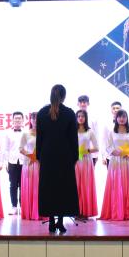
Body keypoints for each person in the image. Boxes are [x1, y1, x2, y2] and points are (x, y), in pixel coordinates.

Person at [36, 84, 79, 233]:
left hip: (47, 155)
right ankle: (60, 222)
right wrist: (74, 157)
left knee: (49, 188)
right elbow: (73, 138)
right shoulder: (69, 113)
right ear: (64, 96)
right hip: (65, 156)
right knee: (63, 188)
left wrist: (39, 156)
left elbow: (39, 138)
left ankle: (51, 222)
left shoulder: (42, 113)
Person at [101, 109, 129, 220]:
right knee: (116, 185)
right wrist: (114, 152)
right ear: (116, 118)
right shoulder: (111, 132)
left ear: (127, 118)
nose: (121, 119)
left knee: (128, 186)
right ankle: (117, 212)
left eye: (124, 117)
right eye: (119, 117)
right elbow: (108, 146)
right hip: (116, 161)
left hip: (128, 161)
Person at [75, 109, 99, 217]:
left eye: (83, 116)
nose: (80, 118)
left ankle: (85, 211)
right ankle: (75, 210)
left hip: (86, 160)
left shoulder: (90, 131)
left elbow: (97, 147)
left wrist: (87, 150)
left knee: (85, 185)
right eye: (79, 116)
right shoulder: (72, 131)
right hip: (75, 161)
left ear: (86, 118)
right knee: (76, 185)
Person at [3, 111, 25, 216]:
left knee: (23, 185)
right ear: (12, 120)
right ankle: (14, 206)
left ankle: (23, 206)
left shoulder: (26, 133)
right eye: (16, 118)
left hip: (24, 162)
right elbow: (6, 149)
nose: (17, 120)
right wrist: (6, 163)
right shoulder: (8, 134)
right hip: (12, 161)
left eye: (19, 118)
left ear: (23, 120)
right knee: (13, 185)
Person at [19, 112, 40, 220]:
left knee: (39, 188)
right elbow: (20, 148)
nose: (35, 120)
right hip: (29, 163)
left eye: (37, 118)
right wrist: (30, 155)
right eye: (33, 118)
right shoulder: (25, 134)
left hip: (40, 164)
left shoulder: (44, 133)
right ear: (30, 120)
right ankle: (29, 212)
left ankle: (40, 212)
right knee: (29, 187)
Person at [101, 101, 122, 166]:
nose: (115, 110)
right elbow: (104, 141)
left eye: (117, 108)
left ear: (121, 109)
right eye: (114, 108)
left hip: (124, 157)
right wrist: (104, 156)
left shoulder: (127, 124)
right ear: (111, 110)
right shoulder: (107, 125)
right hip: (110, 157)